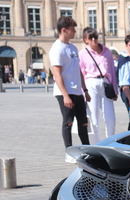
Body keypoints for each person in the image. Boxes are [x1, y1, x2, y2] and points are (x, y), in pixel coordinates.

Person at [50, 16, 90, 163]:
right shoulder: (57, 49)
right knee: (68, 122)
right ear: (64, 30)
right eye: (73, 29)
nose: (75, 32)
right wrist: (65, 95)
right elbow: (57, 74)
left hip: (77, 91)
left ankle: (87, 150)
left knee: (83, 122)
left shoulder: (73, 47)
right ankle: (69, 151)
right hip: (64, 92)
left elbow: (78, 70)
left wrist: (84, 90)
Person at [79, 27, 118, 145]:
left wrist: (115, 90)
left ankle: (110, 143)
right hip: (91, 83)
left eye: (95, 37)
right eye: (90, 38)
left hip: (106, 83)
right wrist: (84, 92)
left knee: (110, 118)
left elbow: (112, 71)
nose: (93, 40)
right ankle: (95, 145)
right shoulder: (82, 53)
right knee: (94, 118)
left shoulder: (107, 51)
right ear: (85, 40)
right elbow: (81, 74)